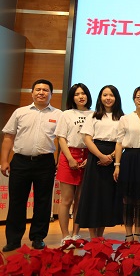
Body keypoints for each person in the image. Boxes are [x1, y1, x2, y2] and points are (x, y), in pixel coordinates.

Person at [1, 79, 62, 252]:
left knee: (43, 202)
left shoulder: (58, 114)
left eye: (45, 90)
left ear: (51, 94)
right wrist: (4, 161)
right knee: (17, 201)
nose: (41, 92)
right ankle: (13, 240)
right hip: (20, 162)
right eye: (38, 89)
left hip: (45, 162)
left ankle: (38, 237)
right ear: (32, 92)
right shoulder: (20, 112)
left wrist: (59, 161)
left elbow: (62, 140)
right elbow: (8, 137)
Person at [77, 85, 124, 238]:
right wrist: (100, 156)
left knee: (106, 197)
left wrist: (111, 156)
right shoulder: (93, 116)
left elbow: (123, 141)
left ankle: (100, 236)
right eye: (105, 95)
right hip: (95, 157)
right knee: (93, 197)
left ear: (116, 98)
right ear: (100, 98)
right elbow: (87, 139)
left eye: (111, 95)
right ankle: (93, 238)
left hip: (114, 156)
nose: (108, 98)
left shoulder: (122, 118)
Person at [55, 83, 93, 246]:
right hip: (69, 155)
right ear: (72, 97)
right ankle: (65, 236)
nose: (81, 96)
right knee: (66, 199)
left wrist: (90, 158)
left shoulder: (94, 114)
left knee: (80, 199)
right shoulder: (66, 114)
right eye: (77, 94)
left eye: (83, 93)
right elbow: (61, 138)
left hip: (88, 155)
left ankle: (76, 234)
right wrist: (70, 158)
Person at [113, 87, 140, 243]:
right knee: (128, 198)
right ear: (133, 99)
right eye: (138, 97)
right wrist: (117, 165)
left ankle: (138, 234)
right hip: (128, 158)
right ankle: (128, 234)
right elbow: (119, 143)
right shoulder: (125, 119)